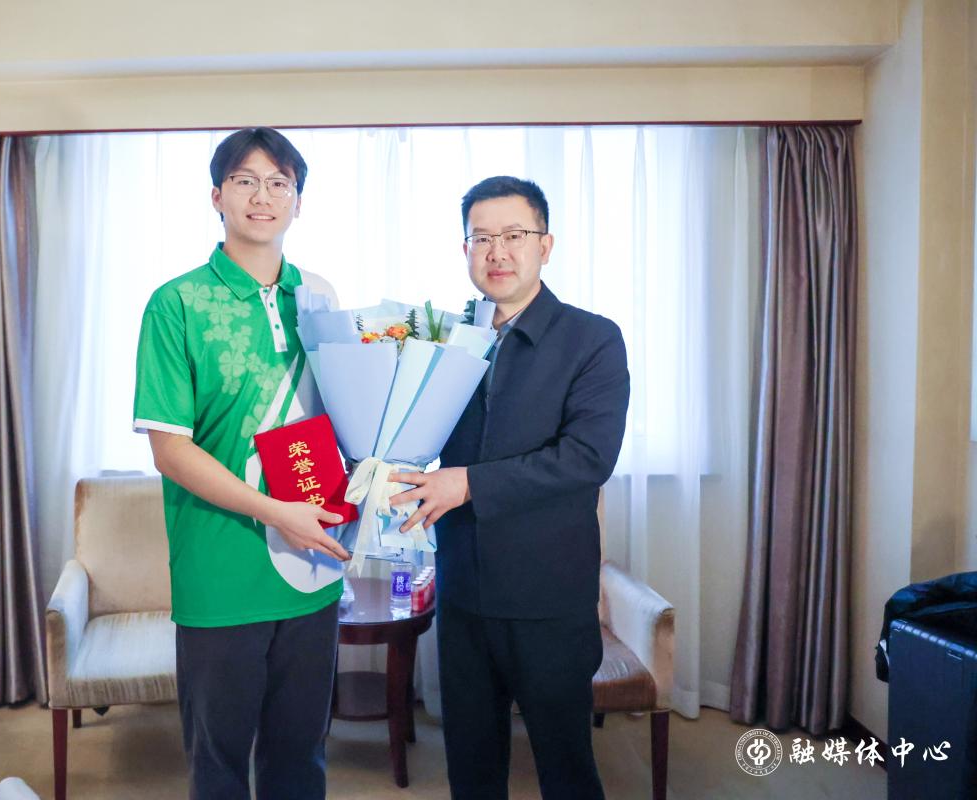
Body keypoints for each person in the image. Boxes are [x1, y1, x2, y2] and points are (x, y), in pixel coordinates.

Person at [390, 176, 630, 799]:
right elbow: (416, 428)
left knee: (566, 765)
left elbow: (587, 458)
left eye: (514, 235)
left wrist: (468, 484)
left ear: (545, 246)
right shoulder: (449, 340)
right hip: (463, 588)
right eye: (481, 238)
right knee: (470, 764)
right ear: (465, 249)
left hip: (546, 594)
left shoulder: (592, 338)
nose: (497, 252)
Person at [132, 127, 350, 800]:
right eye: (246, 181)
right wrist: (274, 511)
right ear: (217, 196)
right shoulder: (177, 303)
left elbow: (340, 417)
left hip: (311, 564)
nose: (263, 196)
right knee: (219, 761)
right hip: (220, 567)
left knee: (301, 755)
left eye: (280, 183)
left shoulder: (319, 296)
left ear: (298, 202)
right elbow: (171, 449)